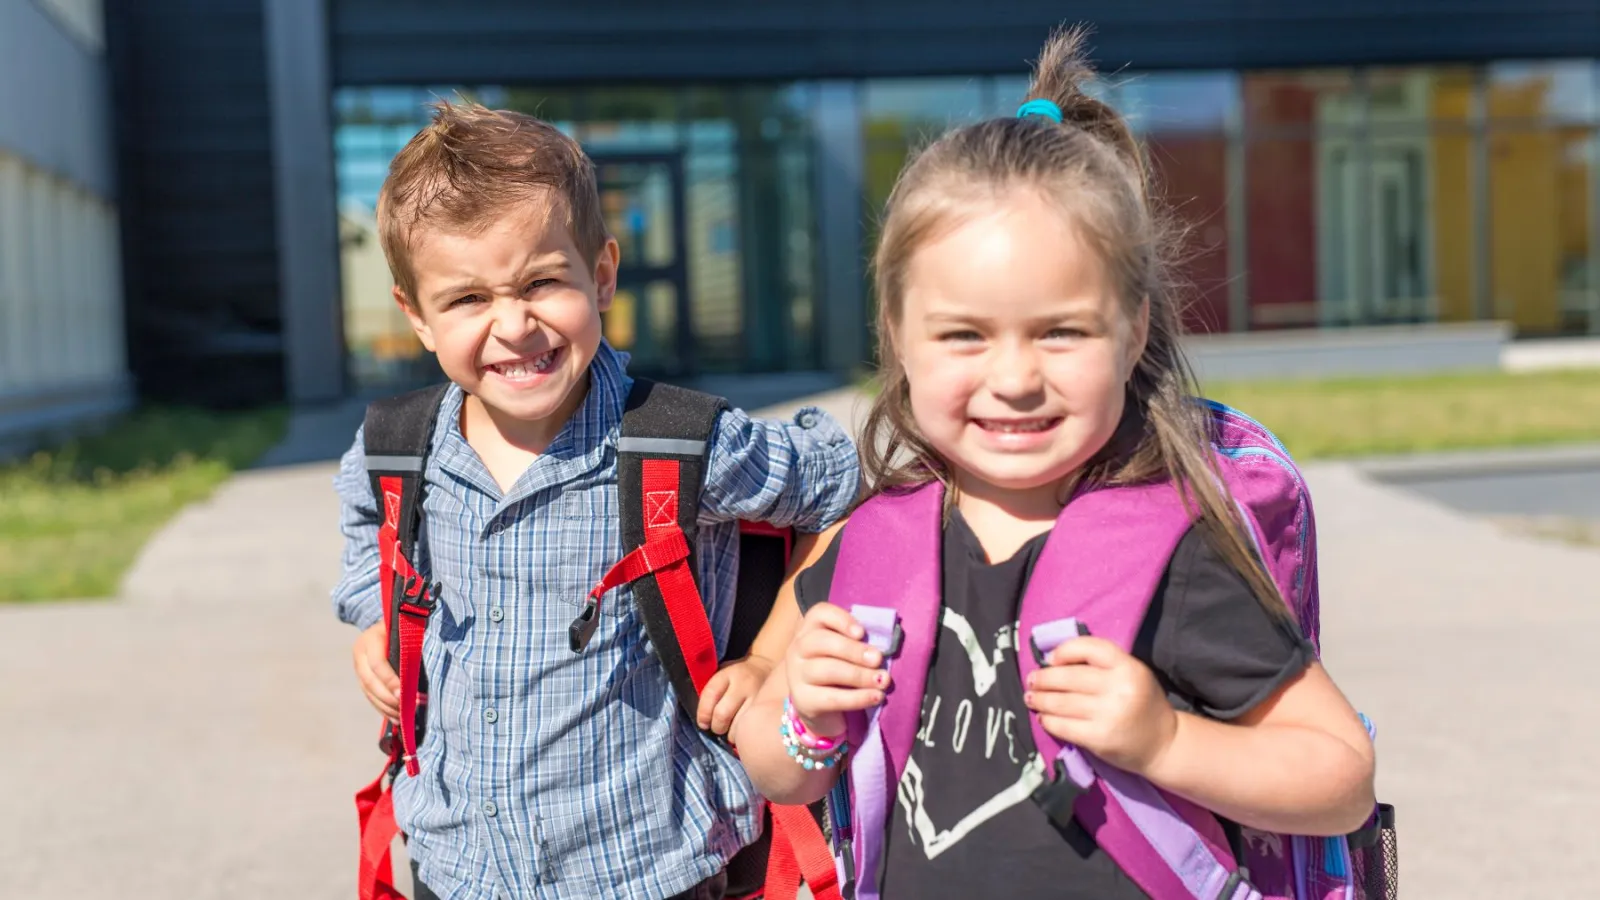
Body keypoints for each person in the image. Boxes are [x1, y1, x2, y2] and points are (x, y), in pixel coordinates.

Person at [729, 27, 1377, 899]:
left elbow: (1341, 782)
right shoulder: (873, 545)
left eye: (1060, 332)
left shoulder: (1175, 555)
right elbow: (785, 776)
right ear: (898, 338)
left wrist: (1167, 743)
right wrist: (800, 714)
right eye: (964, 335)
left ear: (1133, 331)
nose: (1015, 379)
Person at [332, 98, 861, 900]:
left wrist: (767, 658)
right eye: (468, 300)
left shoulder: (684, 445)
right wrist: (376, 618)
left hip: (648, 870)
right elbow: (365, 516)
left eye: (542, 281)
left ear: (603, 274)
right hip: (455, 865)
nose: (514, 325)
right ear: (417, 317)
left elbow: (843, 489)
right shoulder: (395, 448)